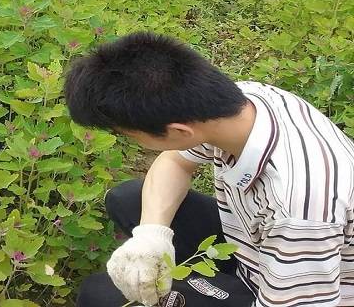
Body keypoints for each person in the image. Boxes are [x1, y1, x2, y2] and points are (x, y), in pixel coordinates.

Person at [64, 32, 354, 307]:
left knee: (100, 295)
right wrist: (152, 235)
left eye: (127, 134)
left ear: (179, 131)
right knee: (130, 199)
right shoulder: (250, 100)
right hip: (255, 245)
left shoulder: (301, 208)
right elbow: (175, 161)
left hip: (301, 286)